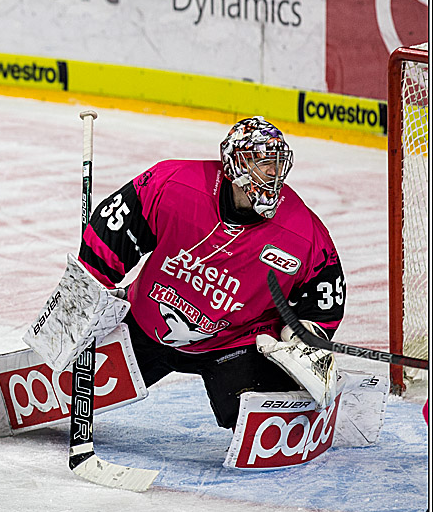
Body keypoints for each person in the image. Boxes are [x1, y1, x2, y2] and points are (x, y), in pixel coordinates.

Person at [75, 116, 345, 428]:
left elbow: (326, 296)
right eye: (261, 162)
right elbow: (117, 228)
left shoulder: (302, 232)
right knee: (73, 393)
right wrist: (90, 286)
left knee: (256, 420)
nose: (273, 172)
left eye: (277, 162)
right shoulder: (174, 183)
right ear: (233, 165)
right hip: (144, 325)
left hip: (234, 343)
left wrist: (303, 337)